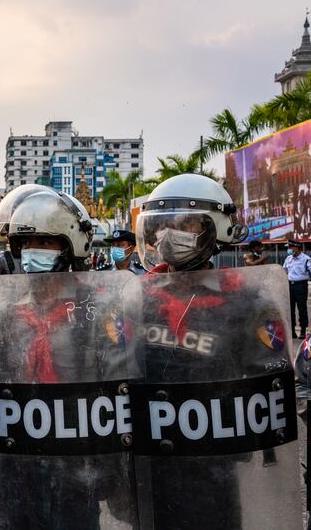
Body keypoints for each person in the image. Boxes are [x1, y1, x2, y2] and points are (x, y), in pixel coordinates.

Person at [135, 173, 291, 529]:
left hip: (216, 459)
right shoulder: (138, 299)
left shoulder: (246, 301)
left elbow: (272, 384)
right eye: (161, 226)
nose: (168, 235)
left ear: (215, 229)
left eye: (184, 224)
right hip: (150, 459)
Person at [0, 185, 135, 528]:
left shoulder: (98, 312)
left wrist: (113, 471)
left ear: (70, 247)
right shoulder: (9, 317)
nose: (33, 252)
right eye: (26, 244)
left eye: (46, 243)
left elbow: (119, 391)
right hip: (17, 468)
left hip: (76, 464)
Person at [283, 239, 310, 339]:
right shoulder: (288, 258)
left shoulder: (306, 259)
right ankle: (292, 331)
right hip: (289, 285)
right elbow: (284, 271)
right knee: (290, 309)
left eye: (290, 247)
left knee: (302, 309)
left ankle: (303, 330)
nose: (289, 250)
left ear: (296, 248)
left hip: (301, 286)